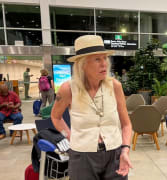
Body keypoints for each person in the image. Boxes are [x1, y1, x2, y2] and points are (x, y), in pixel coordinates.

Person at [51, 35, 132, 180]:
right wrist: (69, 135)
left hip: (114, 153)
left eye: (104, 58)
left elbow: (126, 124)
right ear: (83, 64)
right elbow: (55, 117)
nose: (104, 64)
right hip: (82, 156)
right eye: (97, 59)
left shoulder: (115, 86)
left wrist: (125, 150)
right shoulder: (68, 89)